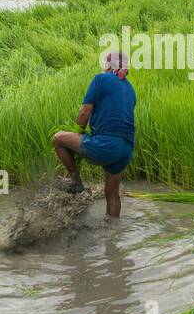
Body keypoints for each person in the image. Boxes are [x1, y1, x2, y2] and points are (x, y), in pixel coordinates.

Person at [52, 50, 136, 217]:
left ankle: (75, 181)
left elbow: (84, 113)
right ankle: (112, 235)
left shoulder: (100, 79)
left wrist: (78, 131)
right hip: (126, 149)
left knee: (59, 138)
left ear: (107, 65)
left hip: (107, 144)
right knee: (112, 196)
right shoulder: (131, 89)